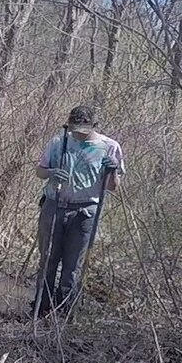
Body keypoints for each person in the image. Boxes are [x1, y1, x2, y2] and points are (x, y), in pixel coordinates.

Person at [33, 104, 125, 318]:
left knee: (72, 267)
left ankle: (65, 313)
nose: (78, 135)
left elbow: (112, 186)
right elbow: (40, 171)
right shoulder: (59, 142)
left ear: (94, 126)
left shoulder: (109, 147)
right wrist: (52, 172)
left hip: (85, 213)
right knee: (48, 260)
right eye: (75, 130)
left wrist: (112, 170)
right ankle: (39, 309)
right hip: (54, 206)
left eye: (82, 131)